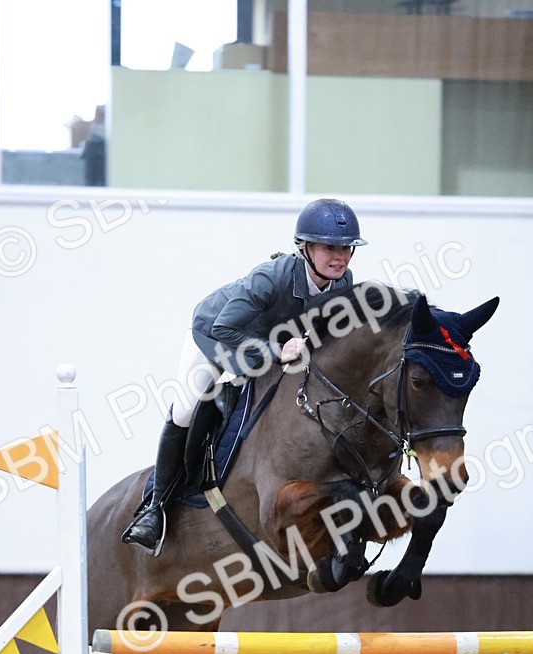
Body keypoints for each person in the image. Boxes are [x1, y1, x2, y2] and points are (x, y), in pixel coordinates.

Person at [121, 197, 367, 552]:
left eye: (346, 248)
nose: (340, 256)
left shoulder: (343, 284)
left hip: (272, 347)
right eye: (330, 247)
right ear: (305, 248)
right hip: (215, 337)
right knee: (187, 410)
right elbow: (225, 329)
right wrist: (274, 351)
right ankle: (155, 509)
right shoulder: (271, 278)